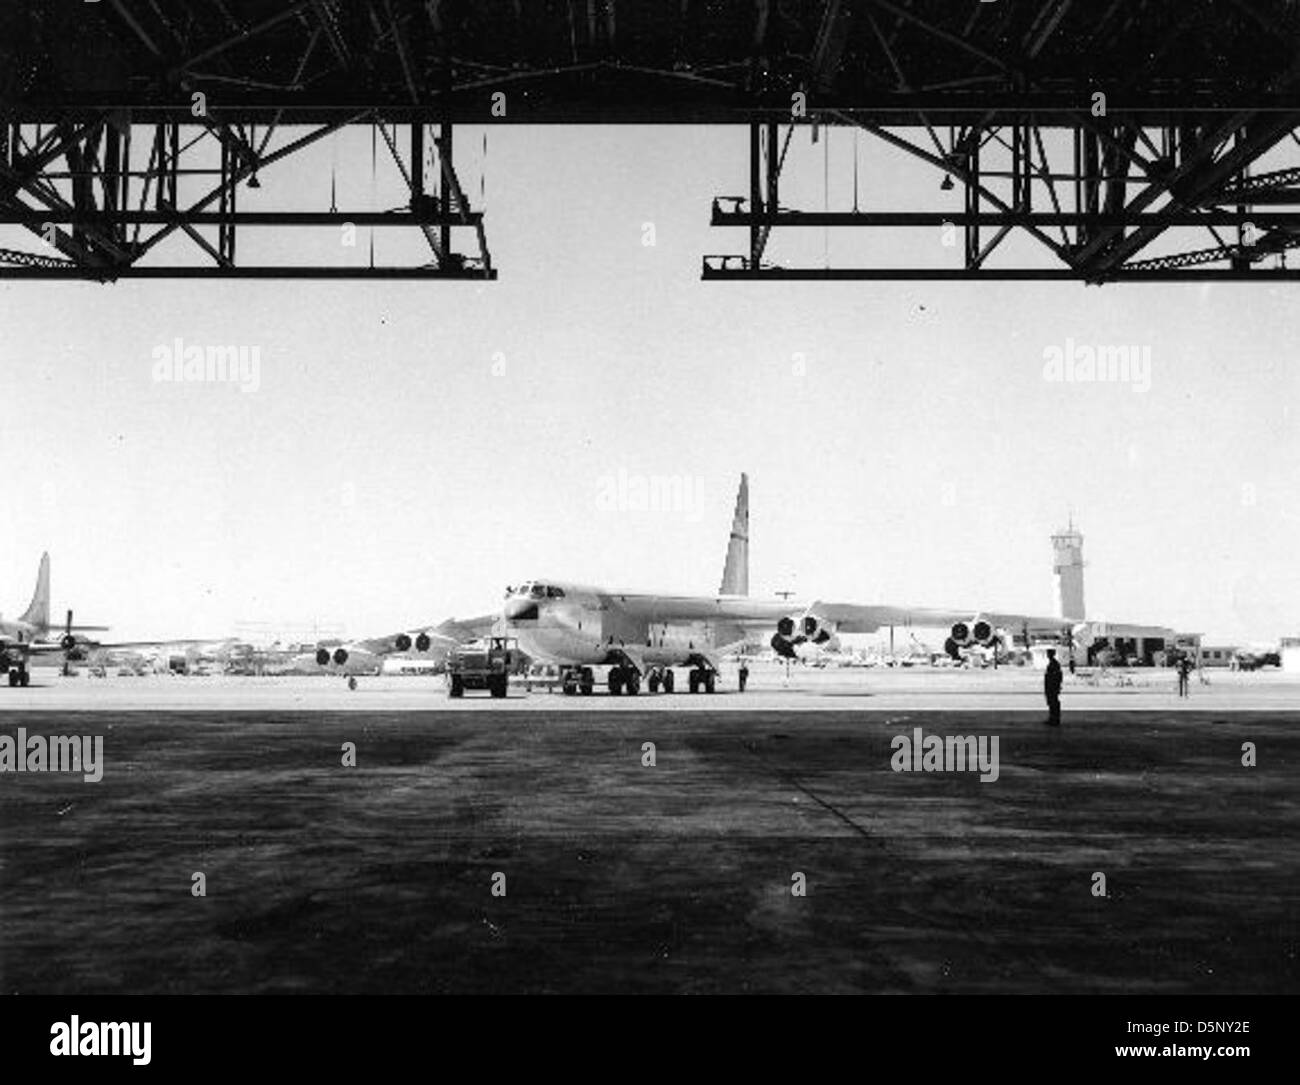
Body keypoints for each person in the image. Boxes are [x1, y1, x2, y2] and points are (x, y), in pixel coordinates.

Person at [1043, 648, 1062, 726]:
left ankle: (1055, 719)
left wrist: (1056, 685)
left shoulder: (1054, 664)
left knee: (1053, 703)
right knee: (1051, 703)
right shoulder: (1052, 663)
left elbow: (1058, 676)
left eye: (1048, 653)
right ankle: (1052, 718)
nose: (1047, 655)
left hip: (1052, 686)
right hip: (1051, 686)